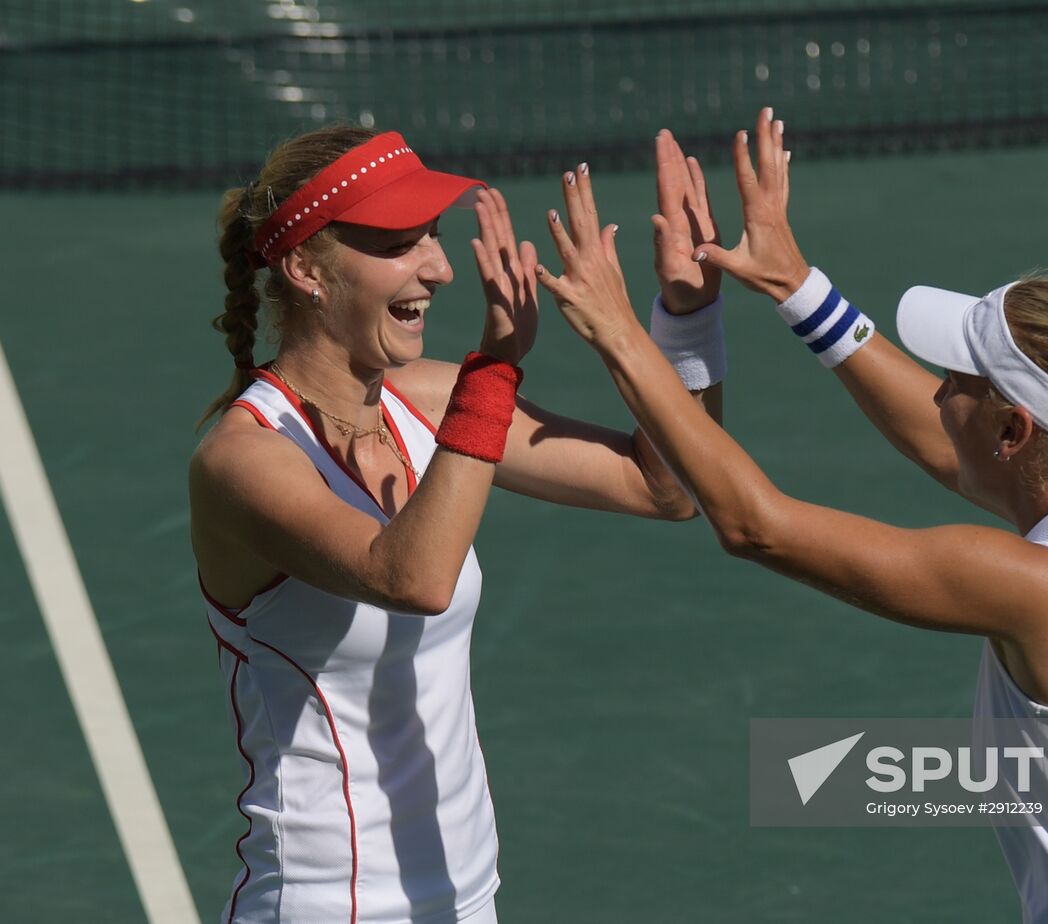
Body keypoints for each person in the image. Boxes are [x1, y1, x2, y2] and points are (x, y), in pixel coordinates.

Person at [532, 108, 1048, 922]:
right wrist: (792, 283)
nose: (938, 385)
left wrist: (624, 336)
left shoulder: (1039, 588)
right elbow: (945, 436)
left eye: (957, 375)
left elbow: (756, 524)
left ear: (1015, 431)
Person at [189, 125, 725, 923]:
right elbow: (411, 576)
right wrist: (496, 372)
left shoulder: (429, 403)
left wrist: (683, 315)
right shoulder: (244, 460)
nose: (439, 268)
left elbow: (667, 487)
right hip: (330, 905)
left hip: (465, 897)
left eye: (433, 236)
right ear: (306, 269)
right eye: (400, 243)